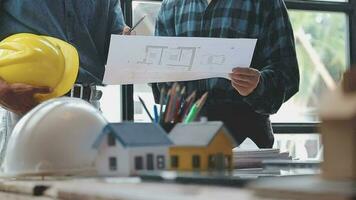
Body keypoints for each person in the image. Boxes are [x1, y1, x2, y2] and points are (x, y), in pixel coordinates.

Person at [152, 0, 300, 148]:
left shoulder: (265, 3)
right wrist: (135, 53)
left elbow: (288, 74)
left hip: (244, 139)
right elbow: (161, 87)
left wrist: (258, 85)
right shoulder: (170, 5)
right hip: (184, 138)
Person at [0, 0, 129, 163]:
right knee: (22, 185)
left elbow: (112, 48)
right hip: (26, 105)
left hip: (87, 109)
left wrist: (125, 44)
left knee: (90, 186)